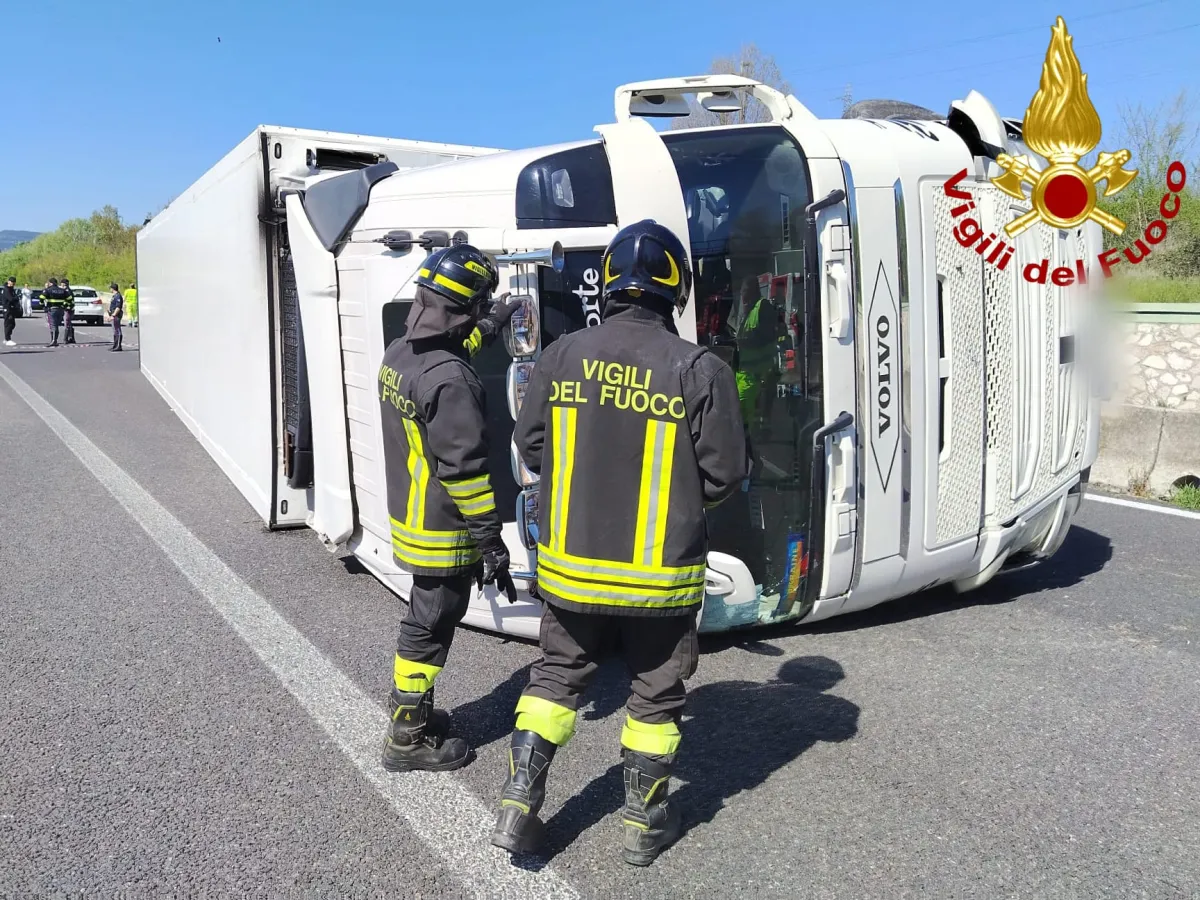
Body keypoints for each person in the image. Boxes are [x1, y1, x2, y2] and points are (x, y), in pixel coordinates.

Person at [492, 220, 748, 866]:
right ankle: (643, 825)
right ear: (675, 291)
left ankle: (518, 803)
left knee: (554, 677)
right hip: (661, 582)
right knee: (655, 695)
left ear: (608, 285)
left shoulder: (559, 356)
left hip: (571, 575)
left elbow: (530, 448)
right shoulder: (700, 368)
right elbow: (722, 476)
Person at [376, 242, 522, 772]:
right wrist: (491, 540)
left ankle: (410, 709)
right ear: (466, 306)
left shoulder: (401, 352)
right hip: (443, 527)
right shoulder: (451, 380)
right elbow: (465, 472)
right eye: (483, 304)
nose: (483, 313)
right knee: (430, 621)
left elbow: (455, 345)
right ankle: (407, 735)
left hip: (410, 515)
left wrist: (499, 319)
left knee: (424, 614)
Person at [41, 278, 71, 347]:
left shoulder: (48, 290)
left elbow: (41, 297)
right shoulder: (62, 290)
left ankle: (54, 340)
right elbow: (69, 299)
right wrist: (65, 305)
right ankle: (54, 340)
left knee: (53, 325)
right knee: (56, 325)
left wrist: (43, 306)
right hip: (60, 310)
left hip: (52, 309)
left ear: (50, 283)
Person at [2, 278, 19, 346]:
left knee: (12, 324)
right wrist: (16, 298)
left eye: (14, 282)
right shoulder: (6, 289)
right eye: (11, 282)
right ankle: (7, 339)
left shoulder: (11, 289)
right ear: (8, 281)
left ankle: (7, 338)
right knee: (8, 324)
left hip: (11, 308)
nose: (12, 283)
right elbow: (11, 299)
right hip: (7, 308)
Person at [108, 283, 124, 351]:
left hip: (116, 315)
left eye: (110, 288)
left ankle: (118, 346)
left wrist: (113, 315)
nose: (110, 289)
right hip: (113, 314)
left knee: (117, 330)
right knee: (115, 330)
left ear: (113, 288)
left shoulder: (118, 296)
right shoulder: (114, 296)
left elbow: (118, 307)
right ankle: (115, 345)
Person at [61, 278, 76, 345]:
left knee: (66, 323)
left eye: (62, 285)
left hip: (68, 309)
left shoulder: (67, 291)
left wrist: (65, 306)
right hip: (70, 309)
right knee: (69, 323)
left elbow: (69, 301)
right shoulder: (68, 291)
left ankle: (66, 339)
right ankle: (71, 338)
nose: (61, 286)